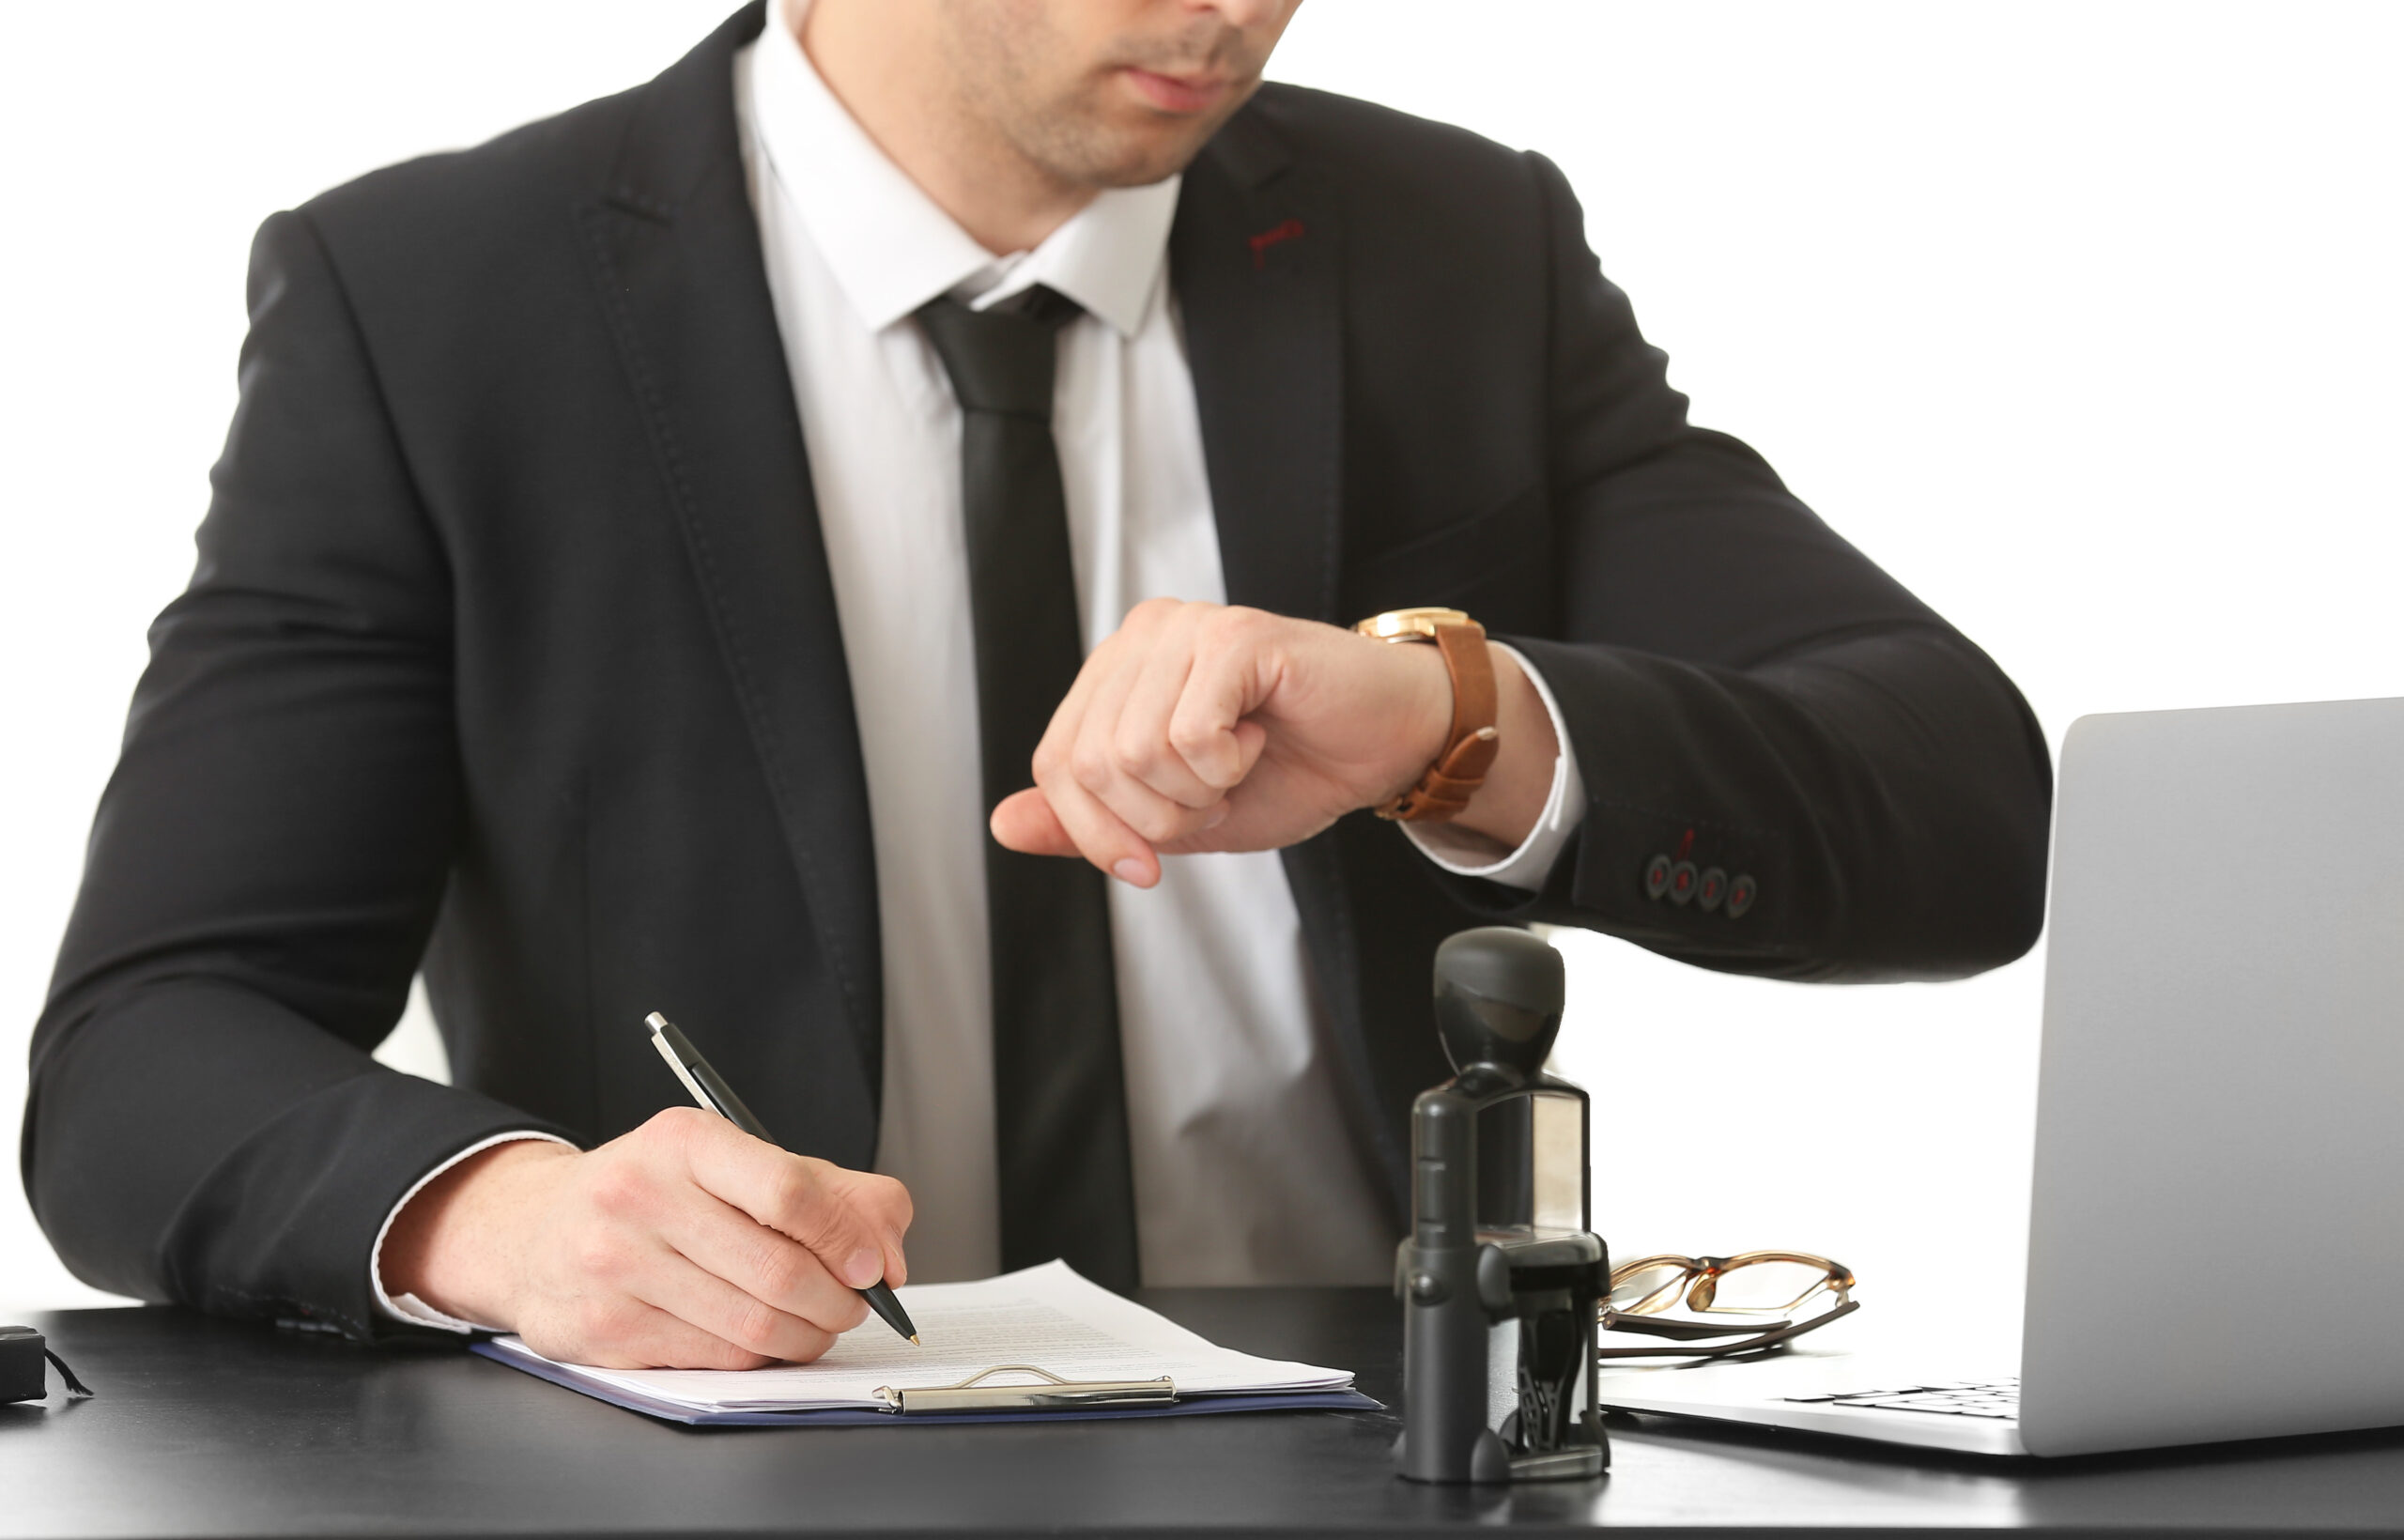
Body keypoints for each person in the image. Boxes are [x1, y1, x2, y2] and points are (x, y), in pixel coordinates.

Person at [24, 0, 2050, 1372]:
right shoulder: (439, 299)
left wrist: (1454, 717)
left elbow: (1963, 809)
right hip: (736, 1474)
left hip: (1363, 1462)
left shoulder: (1453, 246)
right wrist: (502, 1218)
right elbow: (143, 1048)